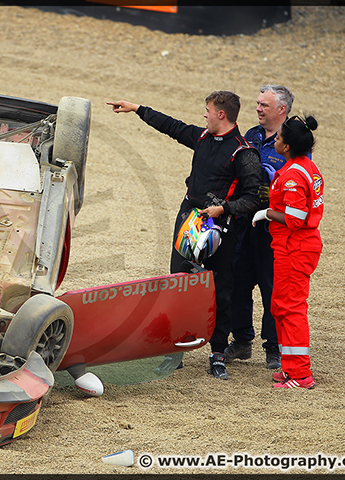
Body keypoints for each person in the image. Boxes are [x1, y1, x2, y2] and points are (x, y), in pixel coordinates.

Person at [108, 91, 262, 380]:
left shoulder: (243, 153)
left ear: (221, 114)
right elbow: (171, 126)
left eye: (208, 110)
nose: (204, 114)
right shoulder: (202, 137)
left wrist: (225, 208)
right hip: (189, 219)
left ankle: (217, 354)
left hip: (220, 228)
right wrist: (137, 108)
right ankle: (174, 350)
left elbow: (257, 197)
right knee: (178, 285)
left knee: (220, 289)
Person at [224, 85, 296, 370]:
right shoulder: (250, 135)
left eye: (264, 105)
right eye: (257, 104)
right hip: (244, 222)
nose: (257, 109)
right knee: (238, 283)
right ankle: (241, 340)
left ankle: (273, 347)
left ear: (282, 109)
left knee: (271, 288)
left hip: (272, 228)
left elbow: (296, 177)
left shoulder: (293, 140)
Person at [252, 114, 323, 389]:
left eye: (279, 138)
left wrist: (267, 212)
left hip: (294, 247)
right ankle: (290, 366)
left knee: (290, 309)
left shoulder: (293, 174)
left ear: (288, 146)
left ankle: (300, 374)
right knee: (280, 306)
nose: (276, 141)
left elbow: (294, 217)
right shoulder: (306, 166)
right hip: (293, 247)